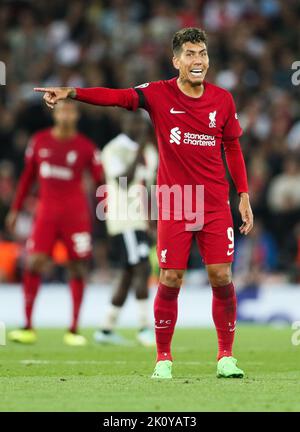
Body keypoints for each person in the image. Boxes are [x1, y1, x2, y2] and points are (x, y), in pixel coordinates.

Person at [34, 27, 253, 378]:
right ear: (176, 60)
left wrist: (242, 194)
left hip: (213, 203)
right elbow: (116, 97)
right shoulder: (157, 94)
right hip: (176, 202)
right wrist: (72, 93)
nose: (198, 61)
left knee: (221, 275)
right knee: (169, 278)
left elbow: (232, 147)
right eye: (191, 55)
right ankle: (163, 358)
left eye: (203, 54)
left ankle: (226, 356)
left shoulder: (223, 100)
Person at [6, 100, 103, 346]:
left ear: (77, 115)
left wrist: (105, 211)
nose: (66, 114)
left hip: (75, 215)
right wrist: (15, 210)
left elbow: (101, 182)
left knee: (78, 267)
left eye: (70, 110)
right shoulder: (39, 141)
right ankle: (27, 326)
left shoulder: (86, 147)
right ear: (55, 113)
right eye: (62, 110)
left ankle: (74, 329)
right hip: (46, 213)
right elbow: (28, 177)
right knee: (34, 262)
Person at [94, 111, 158, 347]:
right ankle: (144, 327)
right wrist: (139, 150)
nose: (139, 126)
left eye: (142, 122)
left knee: (129, 272)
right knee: (142, 266)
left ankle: (106, 328)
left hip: (140, 220)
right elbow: (123, 181)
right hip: (123, 219)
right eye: (134, 121)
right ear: (124, 122)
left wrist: (153, 220)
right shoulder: (113, 149)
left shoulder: (151, 152)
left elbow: (150, 187)